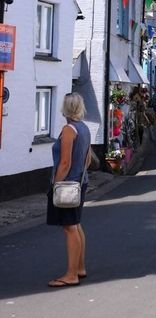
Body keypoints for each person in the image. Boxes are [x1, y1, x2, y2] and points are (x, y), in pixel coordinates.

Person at [47, 92, 91, 288]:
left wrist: (55, 185)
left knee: (69, 228)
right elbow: (88, 160)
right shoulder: (85, 129)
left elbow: (64, 163)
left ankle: (71, 274)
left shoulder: (68, 130)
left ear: (65, 108)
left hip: (67, 185)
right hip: (81, 183)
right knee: (77, 225)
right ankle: (80, 268)